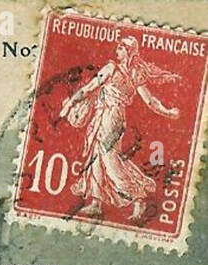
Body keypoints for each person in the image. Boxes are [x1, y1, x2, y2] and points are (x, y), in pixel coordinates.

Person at [59, 35, 182, 222]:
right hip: (108, 116)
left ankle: (137, 197)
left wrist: (69, 104)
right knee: (96, 156)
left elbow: (91, 88)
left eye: (121, 48)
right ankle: (96, 202)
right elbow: (149, 101)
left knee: (109, 158)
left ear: (129, 52)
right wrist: (168, 112)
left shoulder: (115, 69)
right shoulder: (133, 73)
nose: (117, 50)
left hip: (111, 117)